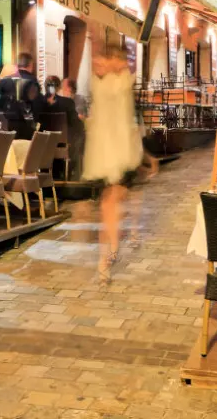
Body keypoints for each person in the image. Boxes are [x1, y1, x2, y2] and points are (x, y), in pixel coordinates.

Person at [82, 42, 143, 284]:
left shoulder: (122, 80)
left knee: (114, 203)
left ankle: (110, 249)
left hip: (120, 152)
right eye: (121, 59)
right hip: (108, 153)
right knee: (109, 205)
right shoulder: (105, 82)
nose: (124, 64)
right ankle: (105, 257)